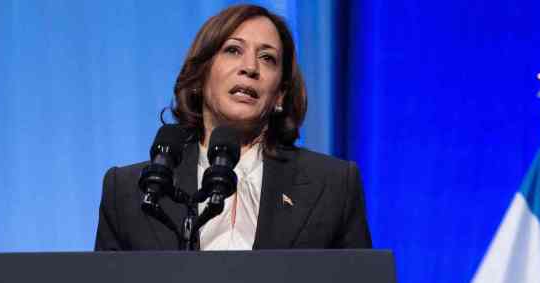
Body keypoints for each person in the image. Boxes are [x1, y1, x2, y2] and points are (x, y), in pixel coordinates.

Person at [94, 4, 372, 251]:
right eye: (233, 50)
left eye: (267, 58)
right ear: (200, 76)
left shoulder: (333, 186)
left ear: (280, 95)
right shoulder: (129, 191)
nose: (250, 67)